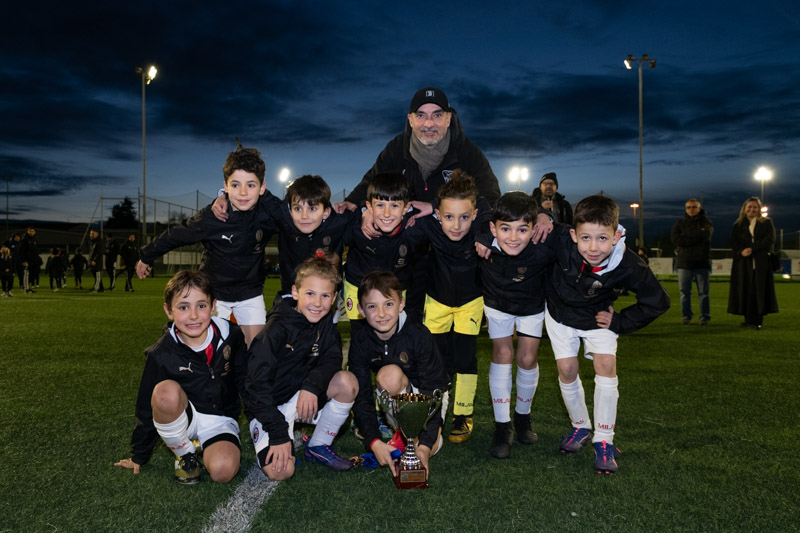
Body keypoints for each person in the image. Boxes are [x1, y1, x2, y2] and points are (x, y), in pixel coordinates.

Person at [335, 87, 502, 320]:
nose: (429, 123)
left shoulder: (467, 153)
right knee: (405, 321)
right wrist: (359, 206)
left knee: (444, 327)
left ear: (448, 119)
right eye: (421, 115)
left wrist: (438, 206)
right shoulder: (397, 148)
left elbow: (490, 198)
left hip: (448, 255)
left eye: (437, 115)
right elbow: (371, 182)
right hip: (408, 253)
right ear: (411, 120)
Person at [544, 195, 670, 474]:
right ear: (574, 234)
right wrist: (544, 217)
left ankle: (604, 440)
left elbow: (658, 301)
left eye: (602, 238)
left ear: (616, 236)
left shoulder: (628, 263)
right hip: (559, 313)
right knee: (567, 369)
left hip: (598, 317)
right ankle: (580, 427)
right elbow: (526, 225)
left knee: (606, 365)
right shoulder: (560, 238)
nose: (593, 247)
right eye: (585, 238)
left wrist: (621, 321)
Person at [114, 270, 248, 484]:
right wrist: (139, 454)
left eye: (201, 306)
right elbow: (146, 404)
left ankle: (205, 446)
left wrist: (265, 427)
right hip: (184, 416)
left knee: (222, 472)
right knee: (164, 393)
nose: (193, 315)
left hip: (219, 419)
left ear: (213, 306)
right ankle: (185, 453)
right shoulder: (161, 353)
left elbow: (246, 381)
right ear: (169, 311)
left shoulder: (231, 335)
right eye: (184, 307)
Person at [137, 145, 278, 346]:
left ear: (262, 188)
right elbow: (177, 234)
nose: (243, 192)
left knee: (256, 349)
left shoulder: (268, 213)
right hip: (215, 293)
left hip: (250, 293)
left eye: (251, 185)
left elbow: (294, 217)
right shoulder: (213, 216)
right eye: (235, 185)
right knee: (212, 350)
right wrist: (146, 256)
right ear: (225, 186)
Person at [246, 255, 358, 481]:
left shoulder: (325, 323)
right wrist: (278, 433)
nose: (317, 303)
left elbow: (332, 359)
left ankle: (318, 446)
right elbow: (255, 387)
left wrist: (311, 386)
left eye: (325, 295)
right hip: (269, 407)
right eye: (310, 293)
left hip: (303, 399)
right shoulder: (275, 330)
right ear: (295, 292)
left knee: (347, 382)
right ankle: (266, 432)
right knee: (281, 472)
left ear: (334, 298)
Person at [411, 170, 492, 444]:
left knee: (465, 358)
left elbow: (491, 208)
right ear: (438, 214)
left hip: (471, 302)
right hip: (436, 301)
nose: (456, 225)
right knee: (436, 360)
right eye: (448, 217)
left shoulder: (482, 231)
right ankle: (436, 413)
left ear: (475, 214)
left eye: (464, 217)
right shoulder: (428, 225)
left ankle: (463, 414)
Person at [477, 192, 556, 459]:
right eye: (505, 229)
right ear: (493, 229)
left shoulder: (544, 241)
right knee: (503, 353)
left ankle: (523, 418)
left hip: (531, 304)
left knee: (528, 358)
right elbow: (472, 214)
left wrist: (547, 215)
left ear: (533, 229)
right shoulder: (484, 240)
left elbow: (577, 231)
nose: (513, 237)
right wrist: (481, 235)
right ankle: (503, 427)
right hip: (497, 303)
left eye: (522, 229)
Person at [349, 271, 450, 477]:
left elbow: (434, 388)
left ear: (401, 303)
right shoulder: (360, 342)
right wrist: (374, 441)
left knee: (427, 445)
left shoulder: (419, 335)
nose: (381, 313)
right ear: (361, 310)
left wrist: (425, 446)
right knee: (388, 375)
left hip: (431, 397)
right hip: (396, 393)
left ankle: (413, 440)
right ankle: (401, 431)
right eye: (372, 306)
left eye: (388, 304)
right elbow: (362, 396)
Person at [340, 171, 427, 332]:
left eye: (394, 205)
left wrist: (434, 206)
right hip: (358, 286)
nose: (387, 213)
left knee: (395, 336)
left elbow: (451, 214)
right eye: (380, 205)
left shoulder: (416, 228)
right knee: (361, 337)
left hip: (396, 288)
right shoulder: (355, 225)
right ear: (369, 207)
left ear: (406, 208)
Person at [727, 197, 779, 330]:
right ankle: (748, 320)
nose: (752, 209)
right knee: (745, 290)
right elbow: (733, 242)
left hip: (761, 262)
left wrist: (752, 249)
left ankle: (757, 321)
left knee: (759, 291)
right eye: (749, 207)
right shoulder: (738, 224)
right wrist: (741, 251)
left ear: (759, 209)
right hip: (744, 263)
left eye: (755, 207)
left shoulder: (767, 222)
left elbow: (770, 239)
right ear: (744, 209)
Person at [671, 198, 713, 325]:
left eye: (694, 207)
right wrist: (696, 237)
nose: (691, 209)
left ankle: (705, 317)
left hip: (702, 263)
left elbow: (705, 236)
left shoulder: (706, 223)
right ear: (686, 209)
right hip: (684, 263)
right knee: (684, 293)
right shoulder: (679, 223)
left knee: (703, 293)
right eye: (688, 207)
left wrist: (685, 239)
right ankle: (686, 317)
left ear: (699, 209)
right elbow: (675, 239)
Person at [20, 226, 39, 293]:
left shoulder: (34, 240)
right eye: (30, 231)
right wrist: (24, 260)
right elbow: (22, 251)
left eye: (32, 231)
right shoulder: (24, 240)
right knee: (26, 274)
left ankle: (28, 287)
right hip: (27, 260)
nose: (31, 232)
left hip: (32, 260)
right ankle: (26, 289)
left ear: (34, 232)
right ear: (27, 231)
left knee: (30, 275)